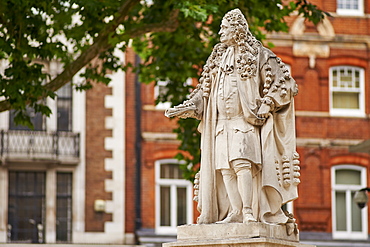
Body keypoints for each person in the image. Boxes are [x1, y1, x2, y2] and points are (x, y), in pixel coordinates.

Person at [165, 9, 300, 227]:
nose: (220, 32)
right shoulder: (216, 57)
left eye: (224, 27)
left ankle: (248, 211)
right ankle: (235, 211)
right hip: (220, 124)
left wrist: (268, 103)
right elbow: (203, 91)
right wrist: (189, 106)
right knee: (225, 169)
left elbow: (285, 82)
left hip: (245, 121)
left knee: (241, 164)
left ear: (236, 30)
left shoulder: (259, 54)